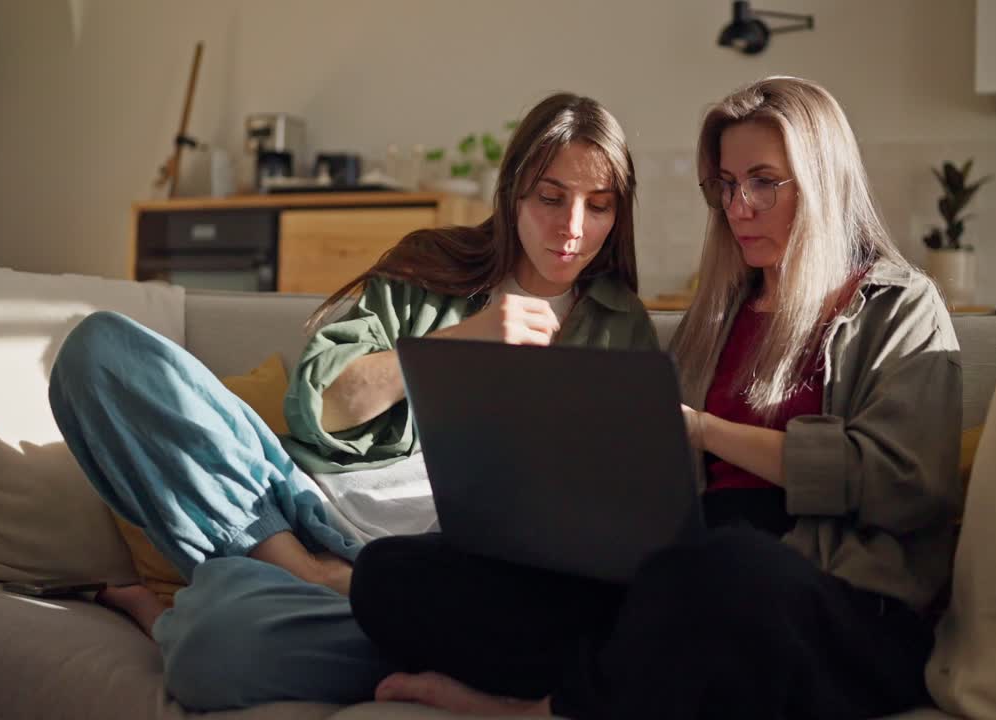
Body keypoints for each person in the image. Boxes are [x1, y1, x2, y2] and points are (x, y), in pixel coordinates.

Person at [348, 76, 964, 720]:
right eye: (725, 185)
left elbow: (906, 485)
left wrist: (705, 430)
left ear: (824, 179)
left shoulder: (899, 304)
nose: (739, 207)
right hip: (676, 580)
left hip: (825, 600)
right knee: (393, 574)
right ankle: (628, 678)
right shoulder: (719, 314)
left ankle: (546, 708)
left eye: (763, 182)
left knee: (725, 572)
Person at [46, 92, 658, 710]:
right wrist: (458, 344)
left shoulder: (617, 324)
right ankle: (301, 571)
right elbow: (322, 405)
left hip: (432, 579)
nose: (573, 227)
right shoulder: (432, 265)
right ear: (513, 193)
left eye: (599, 206)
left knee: (217, 650)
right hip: (297, 508)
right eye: (551, 198)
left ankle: (195, 609)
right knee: (98, 354)